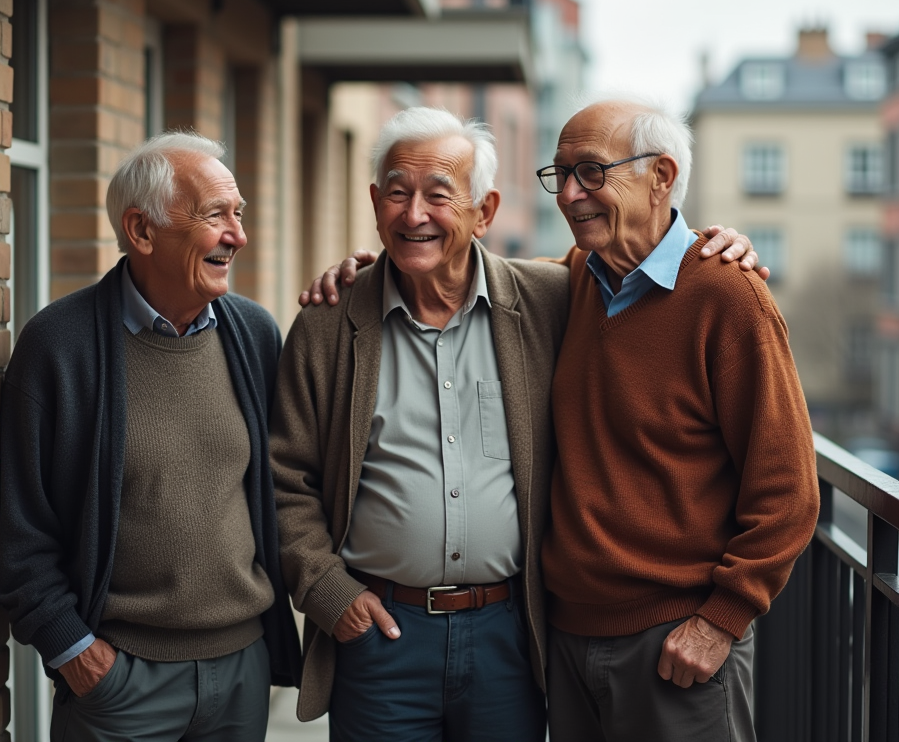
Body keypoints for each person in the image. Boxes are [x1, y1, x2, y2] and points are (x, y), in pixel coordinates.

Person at [279, 106, 764, 741]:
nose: (414, 214)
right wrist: (327, 591)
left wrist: (714, 247)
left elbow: (646, 266)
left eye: (439, 195)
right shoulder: (330, 323)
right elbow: (284, 476)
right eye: (397, 193)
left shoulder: (549, 299)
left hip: (512, 634)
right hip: (381, 635)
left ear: (485, 212)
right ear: (375, 203)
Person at [0, 131, 301, 742]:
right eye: (215, 216)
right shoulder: (59, 347)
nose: (237, 236)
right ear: (141, 231)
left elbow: (294, 480)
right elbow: (20, 529)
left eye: (237, 214)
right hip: (118, 686)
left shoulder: (255, 335)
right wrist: (73, 653)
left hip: (241, 672)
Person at [538, 100, 818, 742]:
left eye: (590, 172)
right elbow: (470, 287)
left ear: (661, 176)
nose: (570, 195)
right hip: (569, 640)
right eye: (560, 175)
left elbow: (788, 492)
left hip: (677, 648)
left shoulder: (728, 293)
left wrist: (722, 619)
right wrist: (370, 272)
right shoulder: (577, 278)